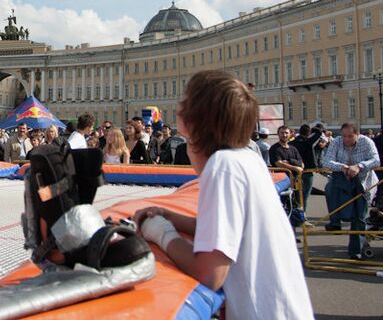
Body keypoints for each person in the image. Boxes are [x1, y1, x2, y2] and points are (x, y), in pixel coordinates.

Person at [134, 70, 313, 319]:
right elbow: (227, 231)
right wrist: (169, 216)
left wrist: (161, 233)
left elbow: (211, 274)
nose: (178, 108)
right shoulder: (247, 160)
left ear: (193, 121)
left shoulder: (224, 166)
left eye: (184, 103)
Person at [322, 122, 380, 259]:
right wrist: (343, 167)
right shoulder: (337, 142)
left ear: (357, 135)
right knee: (329, 188)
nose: (346, 139)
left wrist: (359, 166)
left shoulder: (367, 142)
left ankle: (355, 251)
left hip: (364, 182)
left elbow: (376, 160)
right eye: (344, 136)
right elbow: (326, 161)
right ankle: (335, 222)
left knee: (359, 217)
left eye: (350, 136)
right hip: (343, 180)